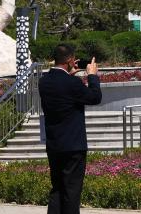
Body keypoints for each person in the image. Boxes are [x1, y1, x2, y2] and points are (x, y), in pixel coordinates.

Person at [37, 44, 102, 214]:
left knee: (57, 189)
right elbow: (95, 97)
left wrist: (70, 74)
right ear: (70, 60)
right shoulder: (72, 83)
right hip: (73, 146)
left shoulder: (44, 82)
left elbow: (62, 89)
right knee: (72, 191)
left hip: (54, 144)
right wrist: (92, 76)